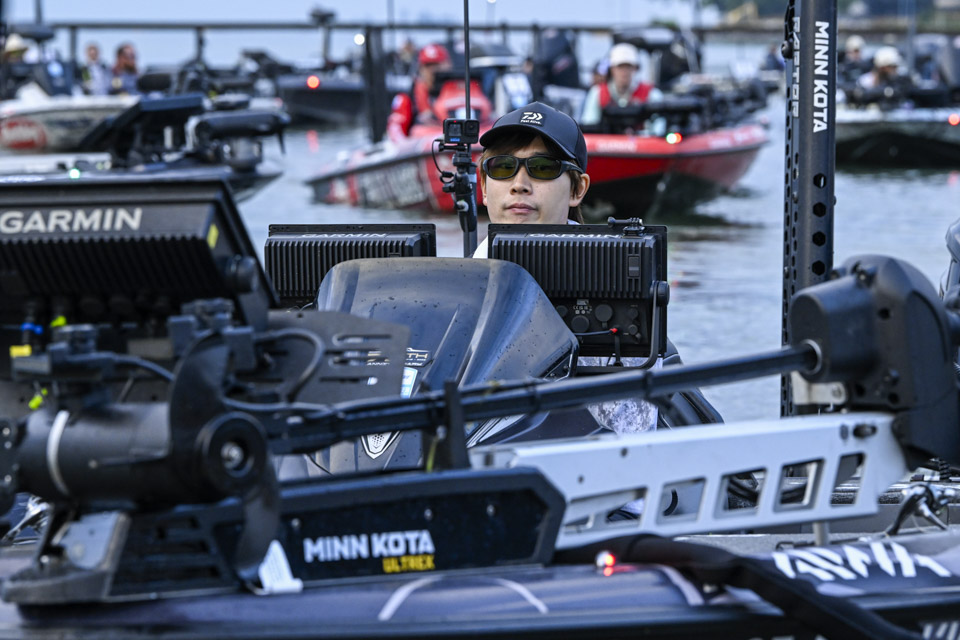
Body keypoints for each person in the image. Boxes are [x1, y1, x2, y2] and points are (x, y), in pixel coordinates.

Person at [474, 101, 659, 436]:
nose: (519, 184)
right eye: (502, 167)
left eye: (542, 168)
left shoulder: (615, 282)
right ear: (484, 187)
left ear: (578, 189)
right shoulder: (460, 281)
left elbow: (633, 433)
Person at [580, 43, 662, 126]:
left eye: (628, 67)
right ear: (612, 69)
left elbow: (658, 126)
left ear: (635, 68)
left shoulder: (652, 94)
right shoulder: (597, 92)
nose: (624, 72)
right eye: (620, 67)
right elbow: (589, 123)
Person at [386, 43, 452, 140]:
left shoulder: (462, 91)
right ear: (421, 69)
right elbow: (395, 133)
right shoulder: (407, 98)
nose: (433, 70)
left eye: (438, 64)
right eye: (428, 65)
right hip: (424, 146)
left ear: (448, 65)